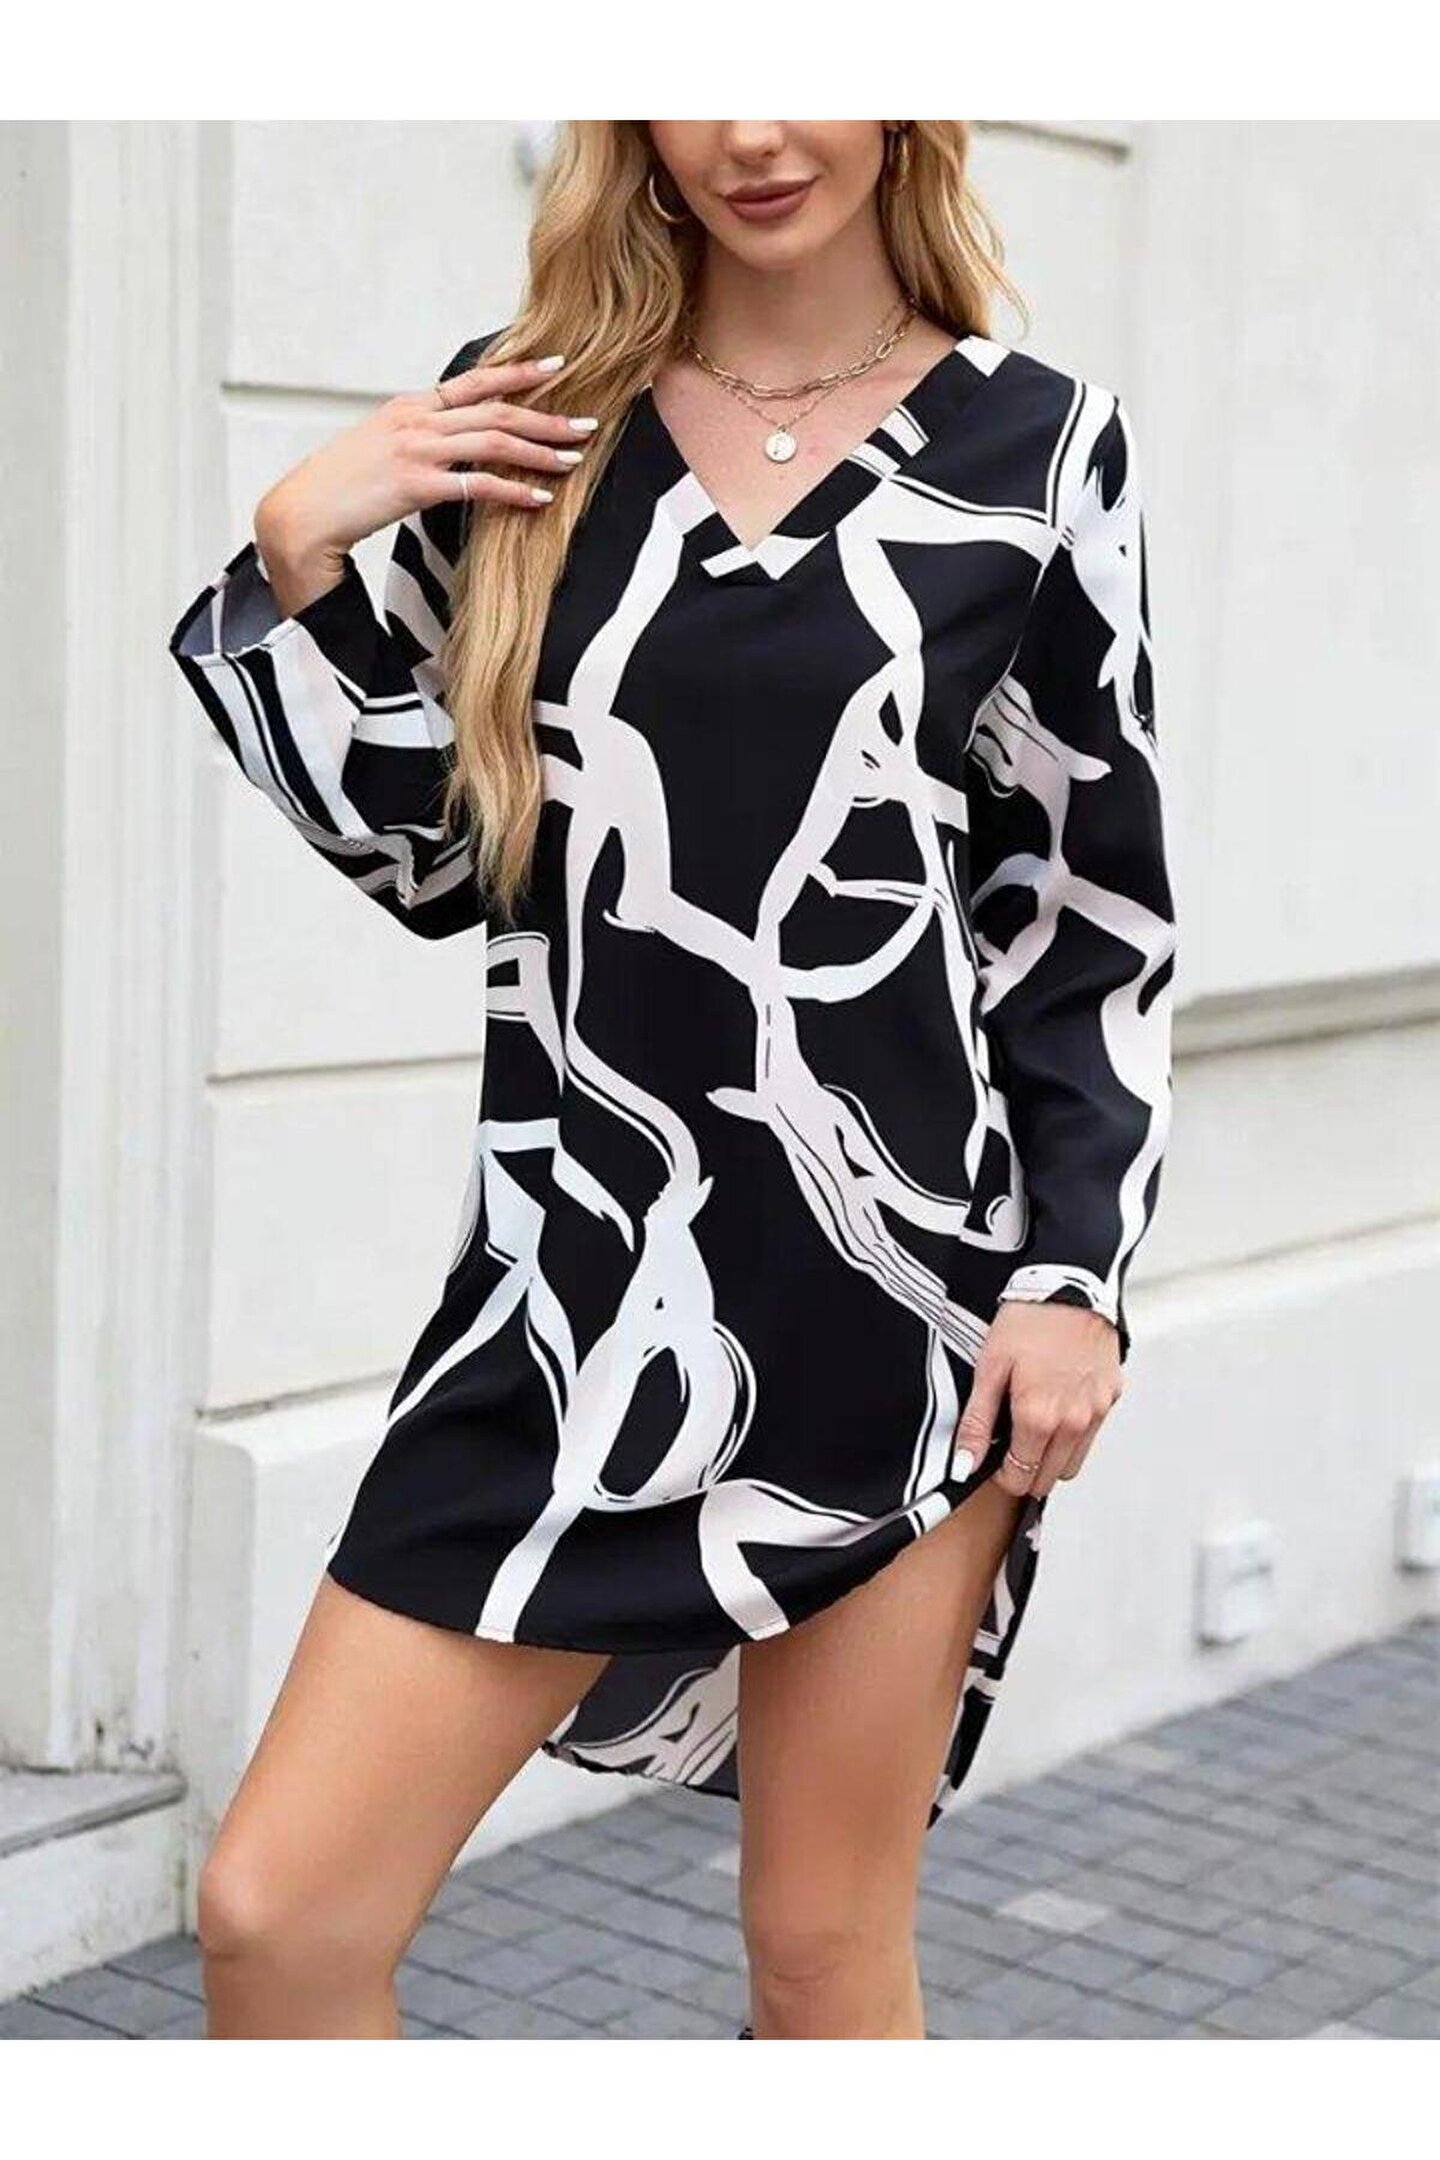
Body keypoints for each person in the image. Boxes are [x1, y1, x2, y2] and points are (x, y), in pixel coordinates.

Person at [168, 119, 1177, 2041]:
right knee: (279, 1915)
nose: (751, 133)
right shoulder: (528, 413)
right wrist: (302, 552)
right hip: (566, 1300)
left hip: (901, 1305)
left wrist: (1075, 1279)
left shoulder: (1041, 453)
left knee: (819, 1950)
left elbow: (1086, 927)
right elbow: (446, 864)